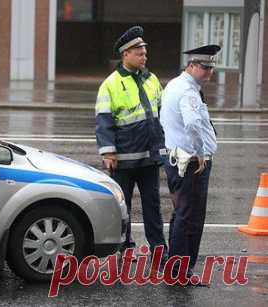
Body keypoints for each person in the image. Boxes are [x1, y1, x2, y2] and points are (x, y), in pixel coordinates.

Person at [95, 26, 167, 256]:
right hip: (122, 161)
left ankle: (158, 248)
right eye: (139, 53)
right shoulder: (111, 84)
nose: (144, 57)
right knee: (122, 207)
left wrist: (165, 147)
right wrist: (108, 152)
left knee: (153, 207)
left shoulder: (152, 79)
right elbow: (103, 121)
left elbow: (162, 114)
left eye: (145, 53)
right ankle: (125, 247)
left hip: (150, 157)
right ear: (125, 54)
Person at [160, 44, 220, 282]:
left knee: (181, 214)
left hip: (176, 157)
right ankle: (181, 271)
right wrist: (201, 153)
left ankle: (175, 266)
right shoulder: (187, 91)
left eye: (211, 68)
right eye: (205, 68)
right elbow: (194, 124)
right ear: (192, 65)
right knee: (192, 217)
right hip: (192, 161)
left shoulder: (175, 84)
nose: (209, 73)